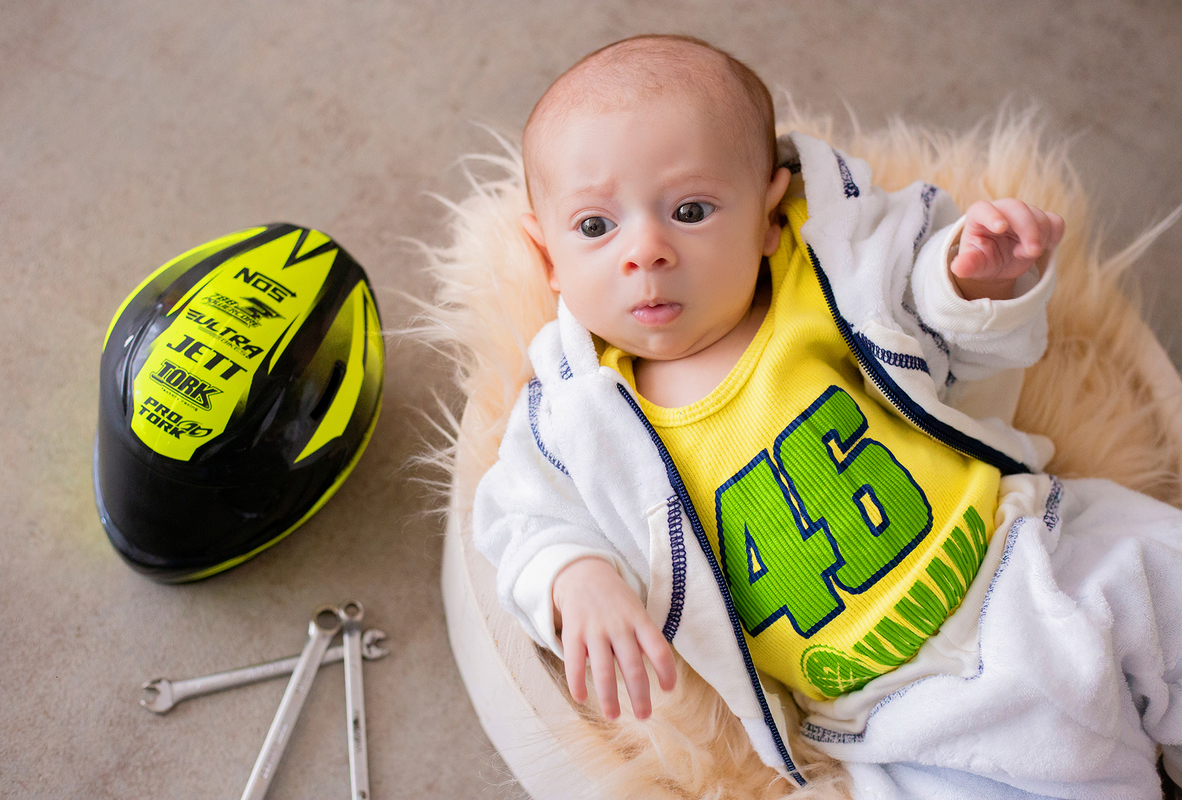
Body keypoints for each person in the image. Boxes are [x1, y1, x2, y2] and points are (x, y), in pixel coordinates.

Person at [472, 33, 1182, 799]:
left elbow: (929, 320)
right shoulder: (571, 418)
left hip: (1034, 556)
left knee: (1161, 573)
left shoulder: (827, 273)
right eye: (594, 227)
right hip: (901, 715)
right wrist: (575, 576)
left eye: (690, 210)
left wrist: (973, 281)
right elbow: (521, 517)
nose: (646, 251)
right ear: (546, 258)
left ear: (767, 214)